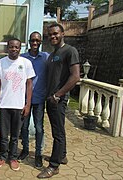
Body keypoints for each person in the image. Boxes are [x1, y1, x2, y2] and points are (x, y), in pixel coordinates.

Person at [37, 23, 80, 179]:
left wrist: (58, 94)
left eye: (56, 33)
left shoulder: (70, 51)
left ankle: (54, 166)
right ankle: (61, 156)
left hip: (58, 99)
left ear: (63, 34)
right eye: (50, 35)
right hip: (51, 98)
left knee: (58, 133)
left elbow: (75, 76)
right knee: (59, 129)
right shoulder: (53, 53)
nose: (53, 36)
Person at [0, 38, 35, 171]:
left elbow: (29, 85)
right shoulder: (0, 63)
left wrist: (28, 104)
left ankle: (13, 157)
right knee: (3, 136)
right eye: (11, 47)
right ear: (7, 48)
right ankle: (2, 156)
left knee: (15, 136)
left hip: (19, 106)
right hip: (4, 105)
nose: (14, 49)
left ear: (20, 48)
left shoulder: (26, 63)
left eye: (17, 47)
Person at [17, 31, 49, 169]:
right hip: (24, 99)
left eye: (37, 41)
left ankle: (38, 154)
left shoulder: (46, 57)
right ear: (29, 42)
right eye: (32, 41)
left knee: (39, 128)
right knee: (23, 127)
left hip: (40, 99)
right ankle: (24, 149)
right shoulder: (22, 58)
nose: (35, 43)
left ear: (41, 42)